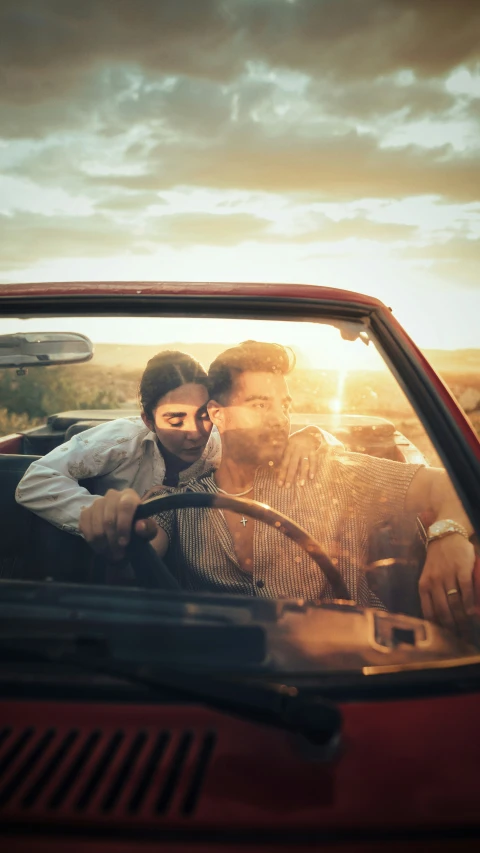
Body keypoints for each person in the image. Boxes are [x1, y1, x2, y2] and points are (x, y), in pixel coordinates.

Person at [79, 341, 476, 631]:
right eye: (260, 404)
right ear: (219, 415)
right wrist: (121, 520)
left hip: (349, 672)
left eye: (284, 404)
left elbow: (450, 485)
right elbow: (147, 539)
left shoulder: (330, 470)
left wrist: (448, 535)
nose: (280, 418)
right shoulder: (181, 500)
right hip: (230, 684)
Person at [16, 349, 328, 535]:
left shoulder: (226, 439)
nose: (195, 432)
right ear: (148, 421)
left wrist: (312, 436)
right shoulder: (120, 441)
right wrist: (109, 515)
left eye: (204, 415)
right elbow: (36, 480)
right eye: (175, 420)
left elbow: (273, 433)